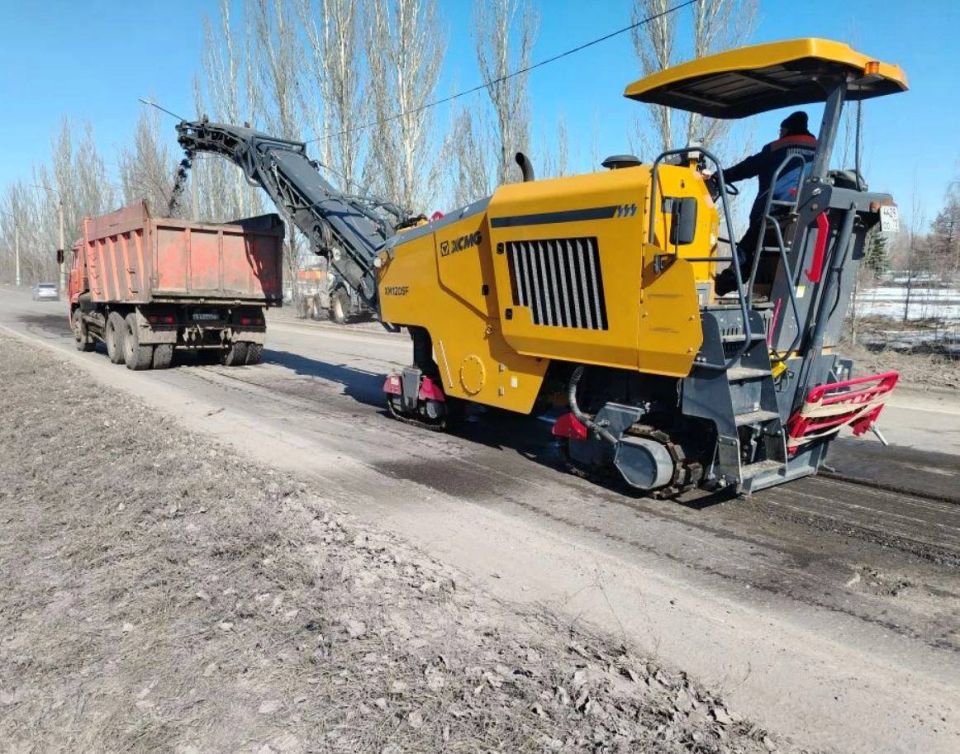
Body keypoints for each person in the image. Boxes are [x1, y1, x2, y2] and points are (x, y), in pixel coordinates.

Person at [714, 111, 818, 296]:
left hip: (773, 211)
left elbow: (747, 168)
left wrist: (720, 177)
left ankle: (730, 279)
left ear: (786, 130)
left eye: (781, 130)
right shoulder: (818, 150)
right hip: (802, 210)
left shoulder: (775, 148)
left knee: (748, 245)